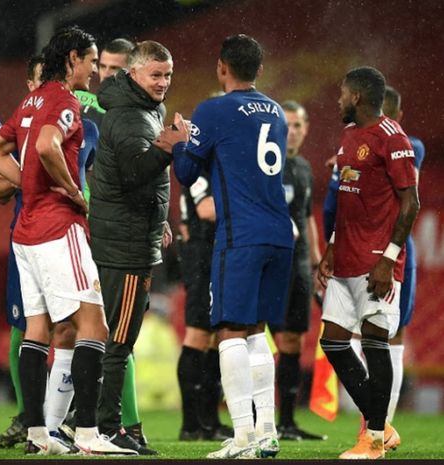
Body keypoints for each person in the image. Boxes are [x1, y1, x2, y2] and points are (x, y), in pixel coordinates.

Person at [0, 25, 136, 456]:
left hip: (25, 233)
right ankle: (88, 434)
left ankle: (38, 432)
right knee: (96, 326)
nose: (93, 70)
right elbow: (51, 145)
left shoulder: (30, 100)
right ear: (73, 58)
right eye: (91, 61)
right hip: (58, 228)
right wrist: (72, 191)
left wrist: (28, 185)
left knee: (38, 330)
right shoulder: (65, 102)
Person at [162, 34, 293, 459]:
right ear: (259, 69)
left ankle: (241, 438)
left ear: (222, 68)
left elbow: (186, 171)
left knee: (229, 332)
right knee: (258, 333)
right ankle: (267, 434)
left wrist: (179, 141)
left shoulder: (214, 109)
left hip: (240, 236)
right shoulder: (276, 111)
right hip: (280, 233)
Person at [317, 67, 419, 459]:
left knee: (376, 341)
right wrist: (331, 245)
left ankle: (373, 437)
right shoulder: (349, 137)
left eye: (342, 93)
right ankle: (383, 426)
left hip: (377, 261)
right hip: (345, 259)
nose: (338, 99)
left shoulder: (393, 138)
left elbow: (411, 203)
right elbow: (349, 201)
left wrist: (389, 260)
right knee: (333, 342)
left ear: (357, 97)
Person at [88, 40, 177, 456]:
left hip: (134, 235)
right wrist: (168, 146)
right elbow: (134, 174)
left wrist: (160, 222)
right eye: (155, 75)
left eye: (167, 75)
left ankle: (85, 422)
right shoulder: (127, 116)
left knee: (116, 339)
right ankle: (106, 428)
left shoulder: (143, 109)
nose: (162, 83)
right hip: (124, 244)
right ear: (135, 74)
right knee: (118, 341)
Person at [0, 56, 44, 450]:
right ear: (28, 84)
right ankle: (28, 416)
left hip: (70, 235)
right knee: (22, 327)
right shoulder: (16, 132)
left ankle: (66, 418)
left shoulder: (82, 125)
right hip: (24, 234)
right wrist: (34, 175)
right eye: (40, 81)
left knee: (76, 328)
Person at [268, 101, 326, 441]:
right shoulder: (265, 162)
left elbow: (305, 216)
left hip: (298, 263)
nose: (292, 131)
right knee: (249, 339)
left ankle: (287, 422)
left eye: (298, 125)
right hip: (268, 262)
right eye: (286, 124)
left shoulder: (304, 168)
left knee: (293, 340)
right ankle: (251, 419)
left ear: (305, 129)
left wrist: (316, 259)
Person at [176, 170, 233, 442]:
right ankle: (190, 424)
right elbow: (206, 209)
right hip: (201, 256)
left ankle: (209, 421)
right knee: (198, 334)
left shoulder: (213, 168)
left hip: (214, 253)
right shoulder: (199, 170)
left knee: (213, 339)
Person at [381, 85, 425, 424]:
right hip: (361, 243)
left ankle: (382, 424)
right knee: (359, 331)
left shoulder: (412, 148)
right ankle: (374, 418)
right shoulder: (353, 147)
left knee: (394, 331)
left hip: (394, 246)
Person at [75, 38, 134, 127]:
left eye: (114, 68)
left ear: (132, 72)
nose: (106, 74)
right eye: (102, 66)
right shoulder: (77, 99)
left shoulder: (145, 112)